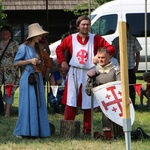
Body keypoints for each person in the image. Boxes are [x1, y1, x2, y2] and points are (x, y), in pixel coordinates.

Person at [56, 15, 115, 135]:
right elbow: (59, 49)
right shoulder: (70, 38)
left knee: (88, 101)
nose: (85, 27)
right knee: (71, 99)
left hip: (90, 72)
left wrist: (99, 57)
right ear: (78, 26)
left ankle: (87, 129)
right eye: (83, 24)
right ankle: (68, 127)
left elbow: (111, 49)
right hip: (75, 72)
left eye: (87, 24)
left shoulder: (96, 39)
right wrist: (62, 61)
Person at [13, 23, 50, 138]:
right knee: (27, 104)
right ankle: (24, 130)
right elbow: (16, 62)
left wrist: (39, 63)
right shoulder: (23, 47)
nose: (40, 37)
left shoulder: (37, 47)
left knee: (38, 104)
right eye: (39, 35)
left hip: (37, 77)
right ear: (33, 35)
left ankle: (38, 130)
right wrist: (29, 61)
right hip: (28, 78)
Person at [86, 47, 121, 139]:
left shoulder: (116, 70)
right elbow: (88, 92)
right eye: (99, 57)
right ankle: (108, 136)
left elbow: (120, 86)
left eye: (103, 57)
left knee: (117, 120)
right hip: (103, 100)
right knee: (105, 117)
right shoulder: (95, 71)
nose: (100, 60)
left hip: (116, 100)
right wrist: (90, 81)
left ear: (109, 57)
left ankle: (120, 134)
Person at [112, 22, 142, 108]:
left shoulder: (133, 39)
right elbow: (112, 54)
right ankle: (120, 104)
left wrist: (137, 66)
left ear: (128, 29)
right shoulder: (116, 40)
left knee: (131, 86)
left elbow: (138, 53)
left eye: (126, 29)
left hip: (130, 67)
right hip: (118, 68)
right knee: (119, 86)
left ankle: (132, 104)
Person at [0, 25, 19, 117]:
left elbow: (19, 57)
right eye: (2, 32)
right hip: (0, 71)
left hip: (10, 72)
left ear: (10, 34)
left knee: (9, 91)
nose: (4, 34)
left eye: (6, 32)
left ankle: (7, 112)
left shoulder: (15, 44)